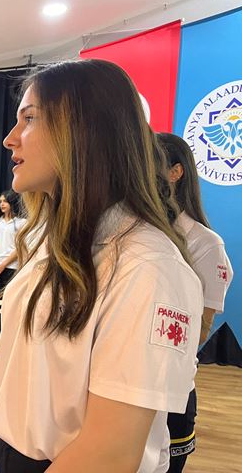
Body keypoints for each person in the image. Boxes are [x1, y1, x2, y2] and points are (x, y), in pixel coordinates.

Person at [0, 60, 202, 473]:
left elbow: (110, 452)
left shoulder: (147, 267)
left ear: (84, 131)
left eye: (29, 119)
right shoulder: (50, 244)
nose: (9, 139)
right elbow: (6, 374)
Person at [158, 132, 234, 473]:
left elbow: (201, 328)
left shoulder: (205, 243)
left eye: (148, 162)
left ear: (176, 172)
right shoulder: (130, 229)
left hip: (170, 390)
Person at [0, 190, 26, 346]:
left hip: (11, 267)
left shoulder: (22, 222)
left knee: (10, 303)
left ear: (13, 202)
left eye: (5, 201)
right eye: (0, 201)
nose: (2, 204)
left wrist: (3, 264)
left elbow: (20, 247)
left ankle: (9, 336)